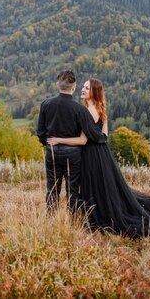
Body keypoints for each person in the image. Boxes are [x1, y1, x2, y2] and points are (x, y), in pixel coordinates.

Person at [48, 78, 150, 238]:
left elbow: (82, 140)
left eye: (87, 88)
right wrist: (96, 140)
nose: (83, 89)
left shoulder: (88, 111)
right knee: (104, 188)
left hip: (91, 155)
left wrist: (59, 140)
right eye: (83, 87)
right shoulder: (99, 108)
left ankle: (95, 218)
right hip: (102, 153)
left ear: (94, 92)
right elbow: (105, 135)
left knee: (95, 187)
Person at [37, 70, 107, 214]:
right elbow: (90, 133)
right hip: (73, 154)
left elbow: (40, 132)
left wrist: (49, 143)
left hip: (53, 152)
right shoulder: (80, 110)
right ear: (73, 87)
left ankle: (51, 218)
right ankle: (73, 220)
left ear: (58, 85)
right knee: (72, 189)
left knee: (52, 187)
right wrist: (102, 137)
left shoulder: (46, 104)